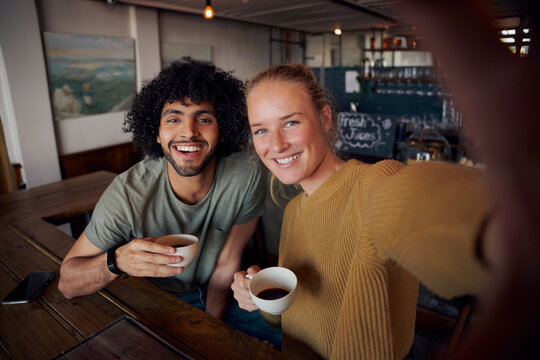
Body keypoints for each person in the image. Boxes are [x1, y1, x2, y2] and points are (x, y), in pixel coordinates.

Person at [231, 63, 493, 359]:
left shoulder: (376, 183)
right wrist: (260, 295)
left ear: (325, 118)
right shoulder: (293, 213)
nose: (276, 144)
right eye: (261, 130)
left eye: (291, 123)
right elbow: (293, 318)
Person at [58, 57, 281, 348]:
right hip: (153, 302)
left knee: (295, 336)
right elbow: (67, 282)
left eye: (204, 118)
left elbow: (226, 263)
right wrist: (117, 261)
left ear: (223, 129)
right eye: (173, 119)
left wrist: (208, 327)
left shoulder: (248, 175)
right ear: (157, 133)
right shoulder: (128, 193)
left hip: (219, 293)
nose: (189, 131)